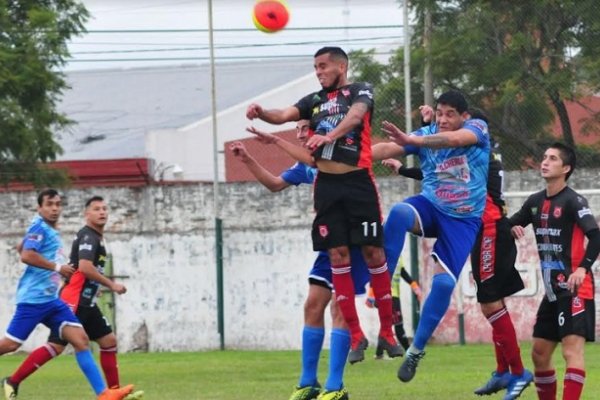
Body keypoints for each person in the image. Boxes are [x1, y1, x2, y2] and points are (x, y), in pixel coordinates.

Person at [246, 46, 402, 368]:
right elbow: (283, 115)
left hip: (358, 183)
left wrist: (327, 136)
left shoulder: (360, 91)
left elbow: (356, 117)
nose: (318, 72)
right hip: (328, 189)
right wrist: (262, 112)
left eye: (323, 66)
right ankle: (357, 333)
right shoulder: (313, 101)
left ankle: (388, 331)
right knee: (337, 257)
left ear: (341, 66)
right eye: (315, 67)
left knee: (375, 253)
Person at [372, 90, 490, 383]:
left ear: (465, 116)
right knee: (399, 212)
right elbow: (388, 148)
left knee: (443, 283)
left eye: (450, 114)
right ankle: (382, 283)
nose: (443, 119)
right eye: (439, 113)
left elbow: (454, 140)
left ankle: (416, 350)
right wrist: (346, 158)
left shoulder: (477, 129)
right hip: (431, 207)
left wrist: (414, 140)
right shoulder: (425, 132)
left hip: (463, 220)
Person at [418, 105, 533, 399]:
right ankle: (502, 371)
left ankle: (518, 372)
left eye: (452, 117)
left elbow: (443, 164)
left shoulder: (476, 153)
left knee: (490, 303)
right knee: (493, 304)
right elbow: (438, 166)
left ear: (468, 122)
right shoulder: (480, 155)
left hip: (489, 228)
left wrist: (426, 129)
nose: (447, 124)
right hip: (482, 229)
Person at [3, 196, 144, 400]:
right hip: (70, 299)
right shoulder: (87, 237)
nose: (102, 212)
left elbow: (22, 249)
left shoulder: (54, 231)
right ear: (86, 214)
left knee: (98, 340)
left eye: (105, 208)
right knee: (18, 345)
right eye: (97, 209)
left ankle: (109, 393)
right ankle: (13, 381)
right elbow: (84, 268)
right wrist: (111, 284)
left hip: (61, 300)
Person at [509, 143, 600, 400]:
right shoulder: (535, 202)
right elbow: (511, 223)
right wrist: (511, 228)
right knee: (539, 353)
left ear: (566, 168)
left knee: (571, 351)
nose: (545, 162)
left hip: (574, 289)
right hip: (552, 291)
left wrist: (582, 268)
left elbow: (596, 237)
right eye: (544, 157)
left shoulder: (574, 201)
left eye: (552, 158)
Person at [365, 255, 422, 354]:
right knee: (398, 324)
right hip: (388, 295)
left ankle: (379, 353)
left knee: (387, 323)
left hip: (394, 295)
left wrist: (414, 286)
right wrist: (371, 294)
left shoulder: (399, 257)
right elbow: (375, 273)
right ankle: (410, 351)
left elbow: (403, 273)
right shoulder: (385, 254)